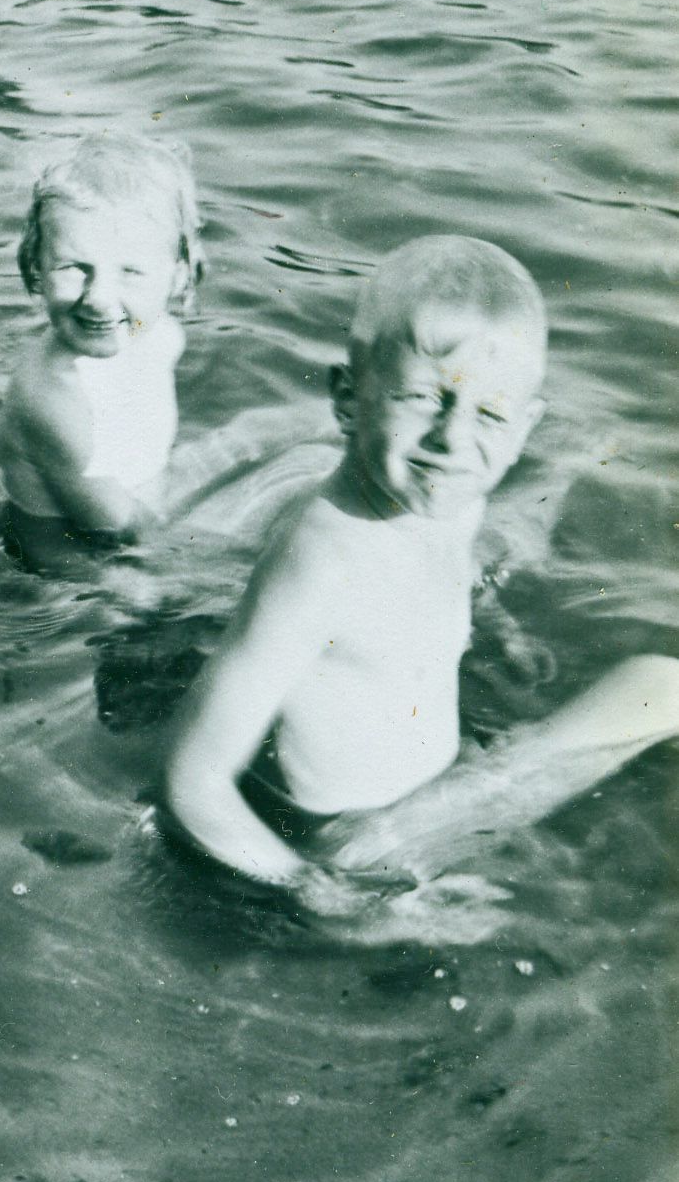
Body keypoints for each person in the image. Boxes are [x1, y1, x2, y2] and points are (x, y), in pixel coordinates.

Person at [163, 234, 679, 914]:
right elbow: (190, 781)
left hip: (429, 797)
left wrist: (496, 628)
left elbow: (437, 584)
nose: (453, 439)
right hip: (356, 850)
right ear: (348, 399)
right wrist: (320, 893)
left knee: (661, 684)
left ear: (524, 429)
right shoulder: (321, 561)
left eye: (489, 413)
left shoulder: (449, 500)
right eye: (421, 398)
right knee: (661, 686)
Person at [0, 134, 203, 560]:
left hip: (138, 505)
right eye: (74, 268)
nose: (99, 298)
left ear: (178, 276)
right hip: (73, 563)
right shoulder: (52, 399)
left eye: (131, 272)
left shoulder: (161, 336)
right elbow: (120, 527)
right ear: (36, 267)